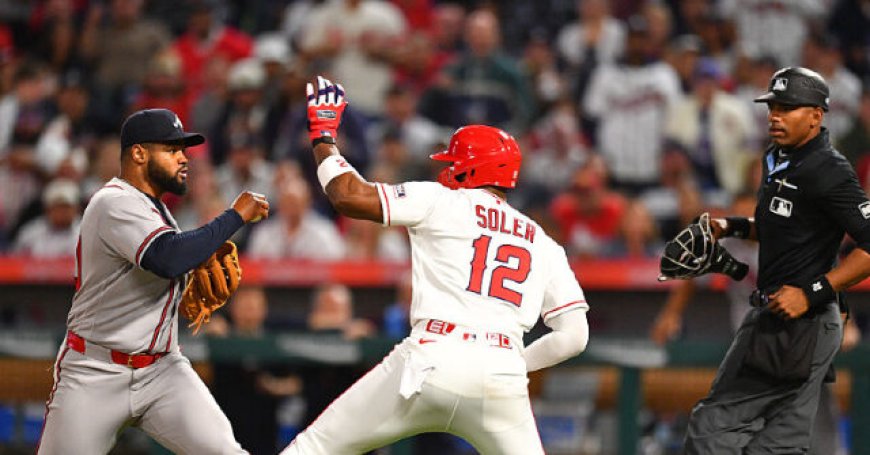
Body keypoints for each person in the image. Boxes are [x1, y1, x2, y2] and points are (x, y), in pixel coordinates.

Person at [280, 76, 590, 454]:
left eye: (454, 162)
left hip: (431, 359)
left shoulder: (441, 200)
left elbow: (348, 196)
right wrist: (512, 365)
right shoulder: (543, 241)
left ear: (469, 168)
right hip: (502, 372)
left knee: (313, 448)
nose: (447, 170)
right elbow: (574, 336)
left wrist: (324, 136)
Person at [36, 108, 270, 454]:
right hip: (95, 372)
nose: (183, 158)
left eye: (183, 151)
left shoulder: (157, 210)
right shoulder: (111, 202)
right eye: (172, 149)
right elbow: (166, 258)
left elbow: (169, 259)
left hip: (162, 371)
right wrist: (234, 216)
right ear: (139, 153)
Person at [680, 67, 870, 454]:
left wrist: (810, 293)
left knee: (710, 430)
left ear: (817, 115)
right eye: (772, 107)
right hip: (792, 319)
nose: (775, 116)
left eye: (788, 108)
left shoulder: (829, 170)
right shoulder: (778, 158)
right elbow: (778, 226)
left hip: (798, 321)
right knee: (779, 445)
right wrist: (727, 226)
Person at [651, 191, 861, 454]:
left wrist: (846, 323)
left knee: (811, 407)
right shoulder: (729, 243)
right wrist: (670, 314)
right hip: (753, 343)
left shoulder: (788, 242)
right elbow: (691, 273)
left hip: (797, 339)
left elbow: (827, 279)